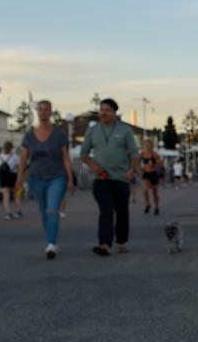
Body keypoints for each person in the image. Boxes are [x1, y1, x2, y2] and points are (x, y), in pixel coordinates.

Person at [80, 98, 139, 256]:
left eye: (107, 110)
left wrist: (132, 168)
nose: (103, 113)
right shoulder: (93, 130)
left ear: (114, 112)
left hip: (121, 177)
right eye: (101, 110)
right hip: (102, 178)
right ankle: (105, 244)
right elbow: (83, 154)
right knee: (106, 210)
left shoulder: (124, 130)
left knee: (121, 211)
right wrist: (94, 167)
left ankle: (121, 242)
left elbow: (134, 153)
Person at [18, 100, 75, 259]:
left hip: (57, 177)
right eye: (40, 109)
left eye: (46, 110)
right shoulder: (29, 135)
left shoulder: (59, 134)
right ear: (37, 112)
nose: (43, 112)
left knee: (52, 209)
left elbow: (65, 158)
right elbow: (23, 159)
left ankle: (51, 244)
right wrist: (19, 178)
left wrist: (70, 178)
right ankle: (51, 237)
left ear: (51, 112)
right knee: (44, 212)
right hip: (36, 178)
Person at [0, 141, 23, 219]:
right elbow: (19, 167)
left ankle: (7, 213)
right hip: (13, 176)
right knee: (17, 194)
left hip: (3, 177)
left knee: (5, 195)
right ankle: (17, 212)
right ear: (11, 148)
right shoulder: (15, 156)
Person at [138, 138, 163, 216]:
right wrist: (140, 168)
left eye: (148, 144)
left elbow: (160, 163)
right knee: (145, 190)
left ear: (151, 145)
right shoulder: (142, 154)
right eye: (145, 144)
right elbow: (136, 163)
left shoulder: (154, 154)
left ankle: (156, 207)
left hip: (154, 173)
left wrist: (154, 165)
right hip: (146, 174)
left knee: (154, 192)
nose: (147, 146)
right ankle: (148, 204)